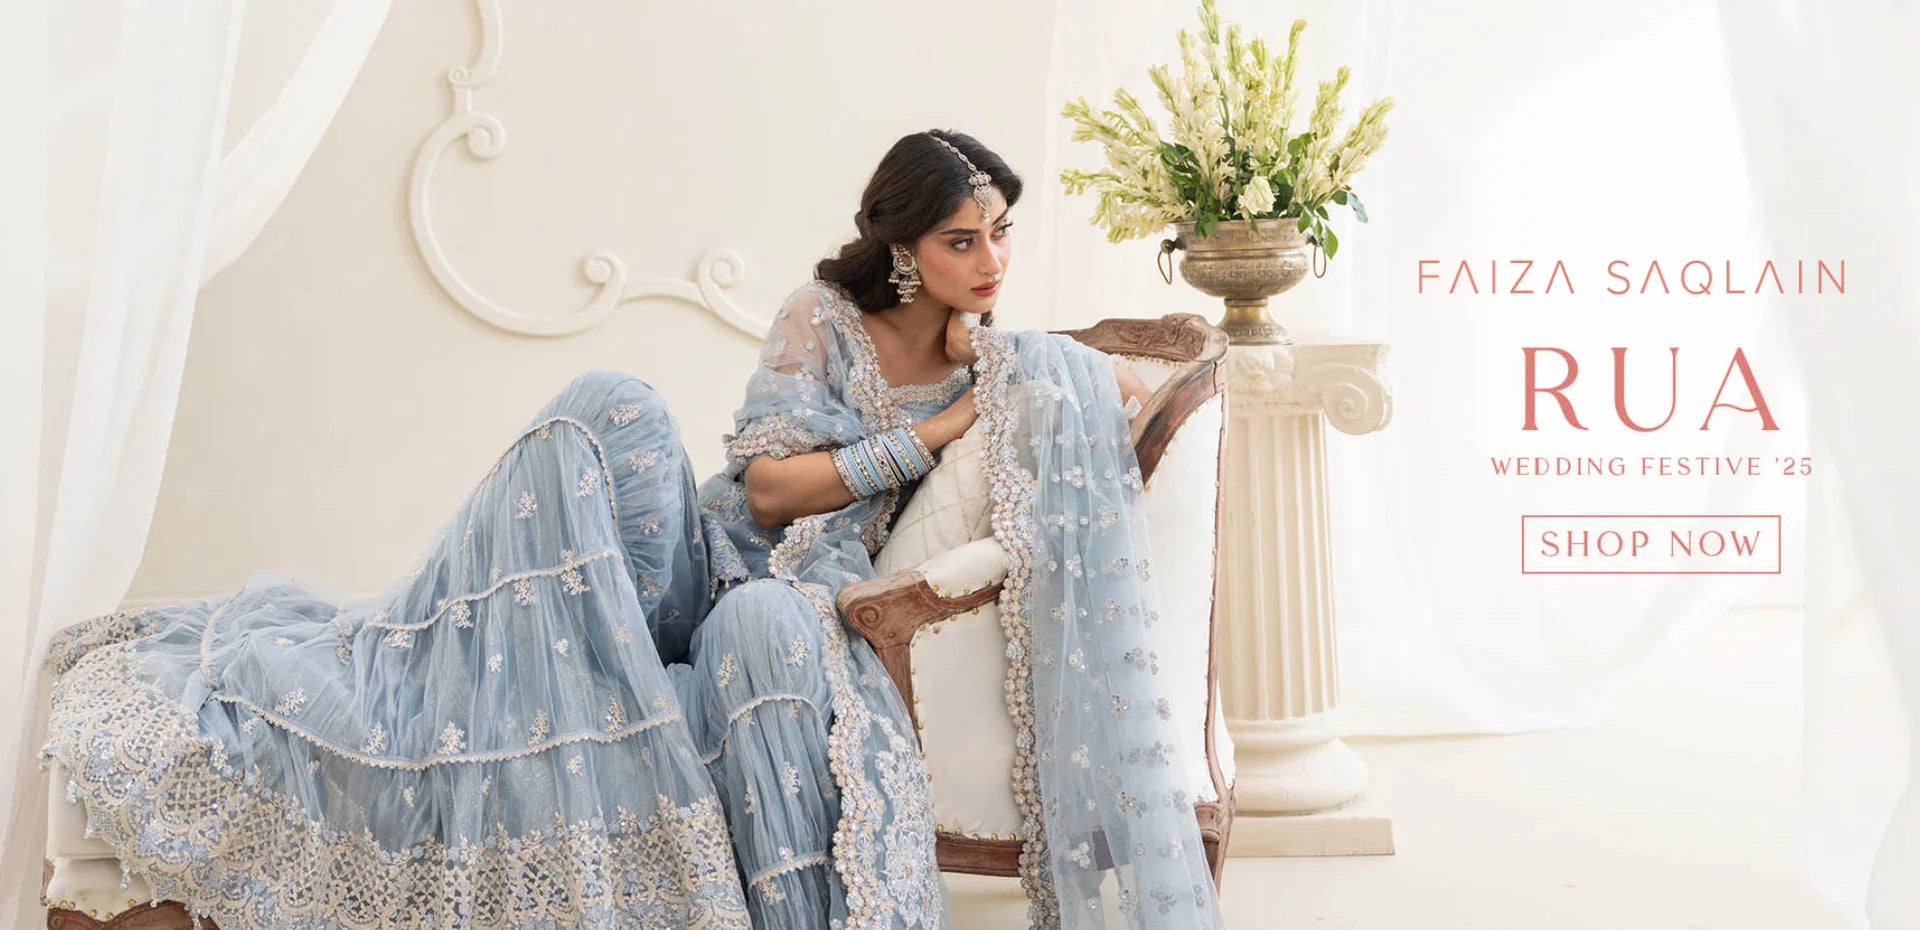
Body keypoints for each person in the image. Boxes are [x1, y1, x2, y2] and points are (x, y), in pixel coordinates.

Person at [39, 129, 1219, 930]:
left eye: (1002, 232)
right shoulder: (823, 317)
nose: (992, 261)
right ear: (903, 250)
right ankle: (403, 647)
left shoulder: (1005, 361)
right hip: (695, 565)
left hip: (787, 608)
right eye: (965, 239)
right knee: (613, 406)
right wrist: (935, 427)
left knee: (756, 604)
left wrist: (1082, 378)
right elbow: (761, 492)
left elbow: (1128, 391)